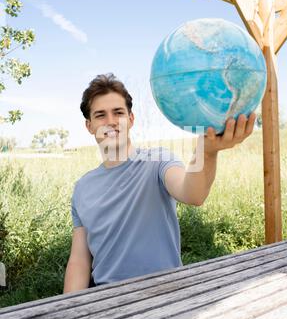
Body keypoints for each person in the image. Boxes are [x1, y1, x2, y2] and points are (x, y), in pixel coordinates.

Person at [63, 73, 256, 293]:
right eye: (100, 115)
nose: (111, 122)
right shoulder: (82, 188)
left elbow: (193, 193)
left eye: (118, 113)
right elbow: (79, 260)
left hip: (166, 292)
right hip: (106, 297)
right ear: (89, 125)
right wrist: (68, 311)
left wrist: (207, 152)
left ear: (131, 119)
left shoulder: (158, 161)